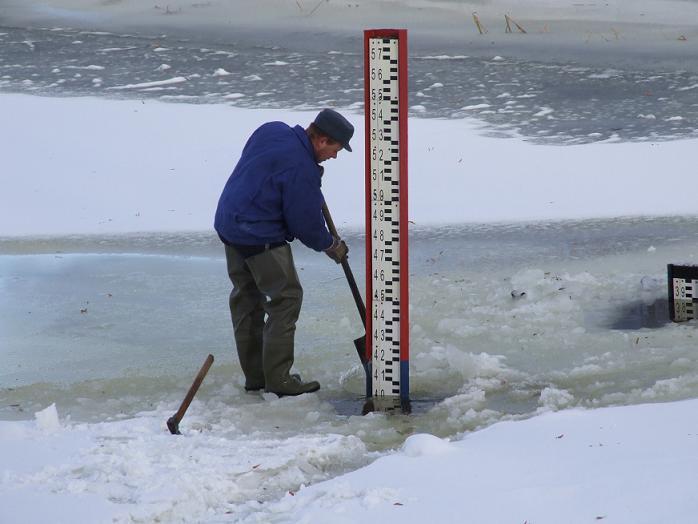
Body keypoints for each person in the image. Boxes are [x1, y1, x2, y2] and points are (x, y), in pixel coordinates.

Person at [214, 109, 353, 396]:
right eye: (336, 150)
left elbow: (266, 169)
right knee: (286, 299)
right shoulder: (301, 169)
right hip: (259, 234)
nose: (335, 157)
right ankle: (279, 380)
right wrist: (330, 245)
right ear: (322, 140)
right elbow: (306, 225)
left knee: (247, 301)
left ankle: (256, 378)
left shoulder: (273, 129)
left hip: (230, 223)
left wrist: (308, 179)